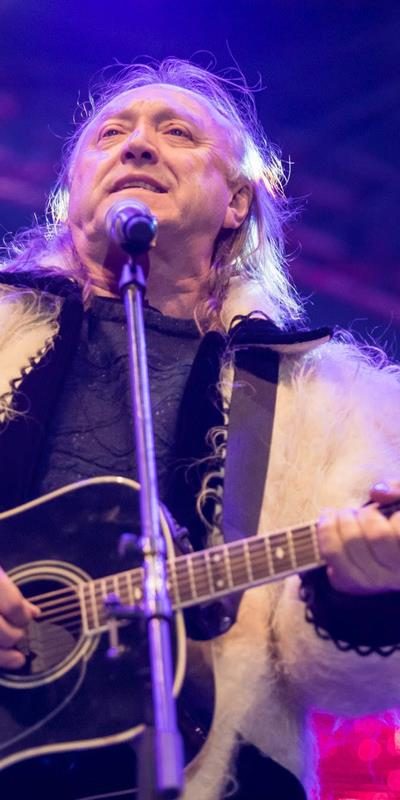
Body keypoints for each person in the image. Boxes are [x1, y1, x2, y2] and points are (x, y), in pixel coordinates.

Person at [1, 58, 400, 800]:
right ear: (72, 191)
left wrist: (364, 590)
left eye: (177, 133)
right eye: (110, 134)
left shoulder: (332, 400)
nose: (137, 144)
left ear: (237, 202)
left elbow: (340, 685)